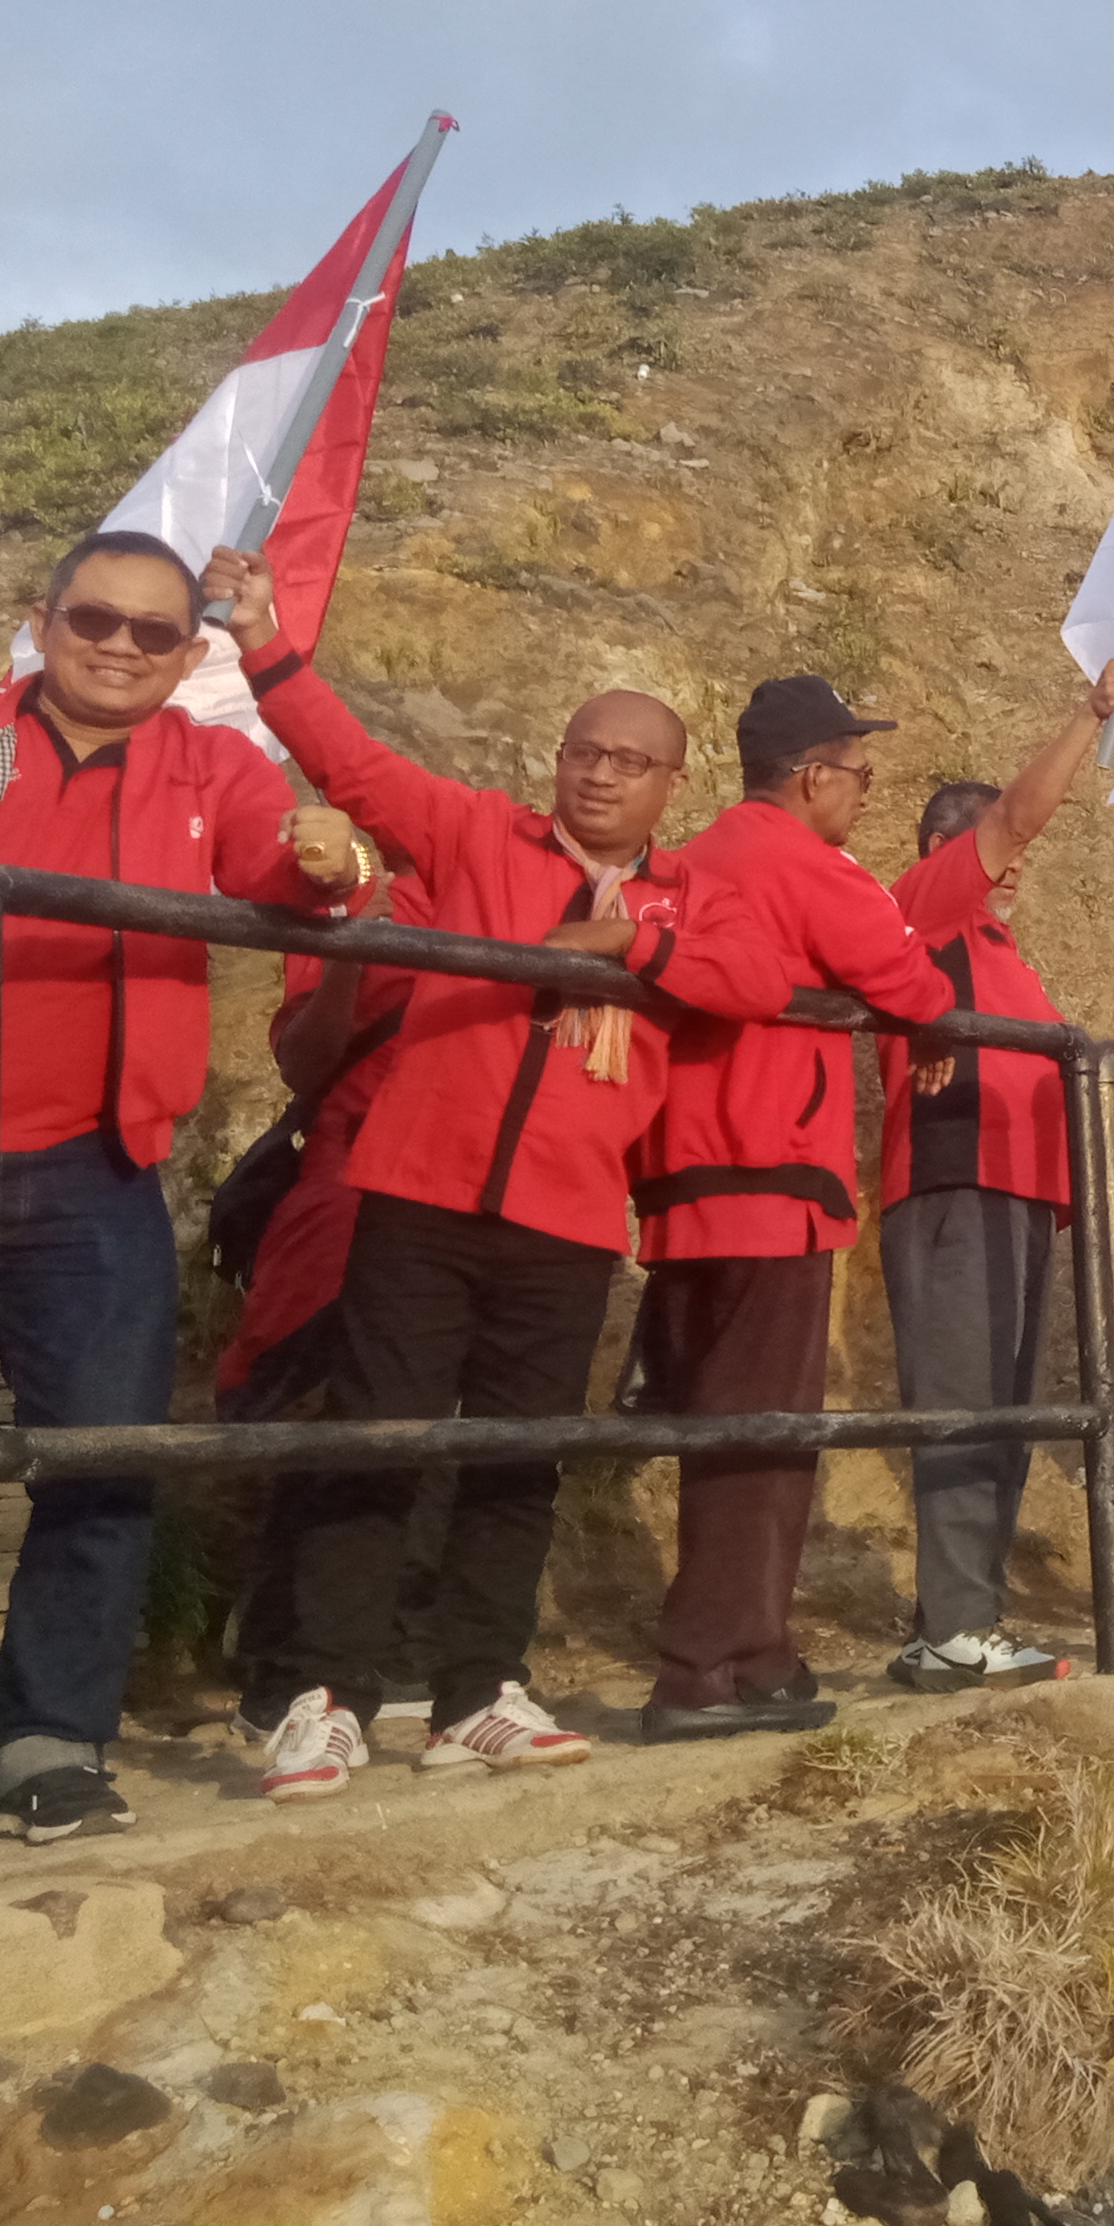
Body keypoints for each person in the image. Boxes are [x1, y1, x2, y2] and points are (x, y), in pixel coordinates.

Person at [0, 536, 358, 1857]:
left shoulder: (213, 765)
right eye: (94, 617)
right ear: (39, 619)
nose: (119, 645)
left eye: (155, 633)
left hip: (85, 1164)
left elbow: (292, 864)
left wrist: (334, 861)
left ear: (187, 653)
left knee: (102, 1451)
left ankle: (49, 1737)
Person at [229, 547, 790, 1803]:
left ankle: (478, 1691)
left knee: (515, 1460)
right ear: (558, 759)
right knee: (373, 1443)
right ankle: (328, 1696)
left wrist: (613, 934)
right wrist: (267, 648)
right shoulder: (476, 832)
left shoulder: (700, 893)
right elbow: (353, 765)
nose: (599, 774)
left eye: (628, 761)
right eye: (584, 752)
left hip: (569, 1216)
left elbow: (751, 980)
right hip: (417, 1191)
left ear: (669, 783)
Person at [618, 675, 964, 1740]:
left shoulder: (696, 858)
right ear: (812, 776)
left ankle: (759, 1648)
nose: (862, 794)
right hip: (770, 1176)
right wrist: (938, 1022)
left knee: (736, 1427)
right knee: (759, 1434)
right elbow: (909, 981)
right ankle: (704, 1666)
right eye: (857, 776)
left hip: (685, 1173)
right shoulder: (803, 865)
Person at [875, 656, 1114, 1690]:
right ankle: (951, 1623)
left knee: (1001, 1407)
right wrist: (1088, 712)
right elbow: (1021, 819)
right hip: (957, 1185)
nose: (1015, 861)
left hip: (1022, 1202)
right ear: (948, 850)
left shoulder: (998, 949)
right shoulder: (921, 911)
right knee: (960, 1401)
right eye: (988, 842)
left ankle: (961, 1617)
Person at [217, 861, 436, 1749]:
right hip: (348, 1197)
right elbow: (303, 1060)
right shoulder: (362, 898)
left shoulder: (522, 893)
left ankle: (395, 1649)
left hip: (455, 1201)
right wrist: (353, 947)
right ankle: (284, 1665)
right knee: (333, 1416)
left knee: (426, 1425)